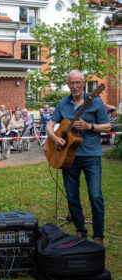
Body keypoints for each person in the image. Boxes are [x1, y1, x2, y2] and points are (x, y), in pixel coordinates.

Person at [46, 70, 110, 246]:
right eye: (71, 83)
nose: (74, 86)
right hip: (68, 157)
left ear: (83, 83)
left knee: (95, 195)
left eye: (77, 83)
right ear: (68, 84)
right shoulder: (63, 103)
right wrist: (55, 138)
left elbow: (107, 126)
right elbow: (50, 125)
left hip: (91, 156)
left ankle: (98, 235)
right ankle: (80, 230)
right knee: (72, 196)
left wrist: (90, 126)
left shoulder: (96, 101)